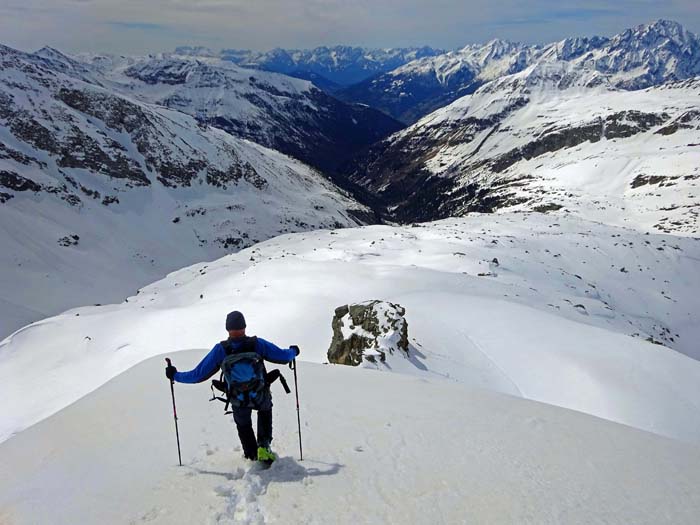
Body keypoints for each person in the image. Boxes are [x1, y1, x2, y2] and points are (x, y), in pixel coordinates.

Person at [165, 310, 299, 464]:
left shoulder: (221, 350)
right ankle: (263, 446)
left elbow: (197, 375)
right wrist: (293, 351)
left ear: (228, 329)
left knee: (243, 424)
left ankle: (251, 454)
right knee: (265, 410)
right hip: (260, 394)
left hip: (237, 397)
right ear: (244, 326)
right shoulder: (257, 344)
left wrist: (174, 375)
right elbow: (283, 356)